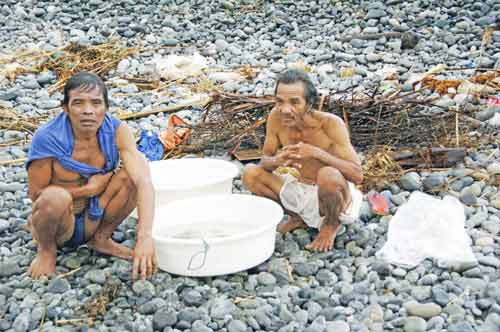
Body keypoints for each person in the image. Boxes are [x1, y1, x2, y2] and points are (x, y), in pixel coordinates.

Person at [26, 72, 156, 279]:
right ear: (65, 108)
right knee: (55, 197)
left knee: (131, 175)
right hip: (61, 224)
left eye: (96, 103)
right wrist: (87, 190)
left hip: (97, 214)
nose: (88, 111)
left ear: (106, 107)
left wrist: (145, 237)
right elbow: (36, 194)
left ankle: (102, 238)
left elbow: (144, 182)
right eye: (78, 103)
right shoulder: (48, 137)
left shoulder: (117, 131)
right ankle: (47, 250)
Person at [242, 69, 363, 252]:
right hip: (301, 188)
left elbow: (357, 175)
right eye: (279, 101)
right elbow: (264, 162)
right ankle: (297, 217)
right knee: (250, 174)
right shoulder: (275, 118)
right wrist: (278, 160)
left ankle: (330, 224)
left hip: (335, 195)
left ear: (309, 103)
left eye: (294, 102)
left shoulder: (331, 124)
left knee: (327, 174)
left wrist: (317, 153)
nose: (285, 110)